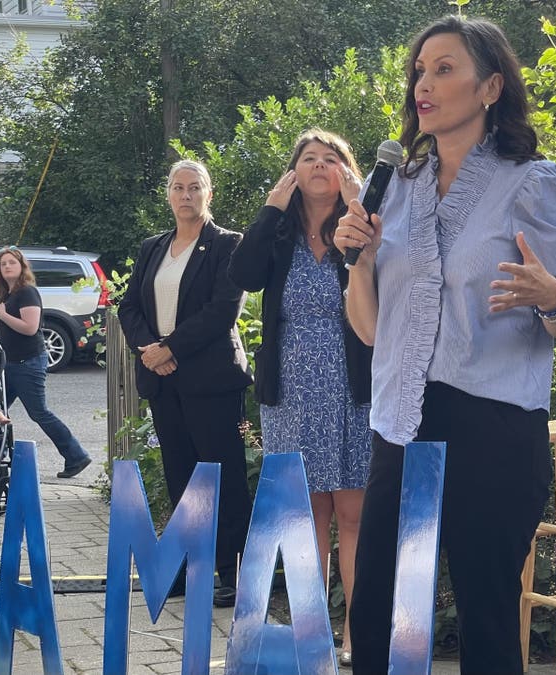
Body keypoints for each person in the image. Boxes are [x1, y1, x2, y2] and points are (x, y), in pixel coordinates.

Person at [334, 16, 556, 674]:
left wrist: (550, 297)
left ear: (491, 87)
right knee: (375, 611)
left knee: (484, 611)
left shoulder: (532, 182)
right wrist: (360, 263)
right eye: (420, 70)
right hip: (401, 420)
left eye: (444, 68)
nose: (424, 82)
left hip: (493, 422)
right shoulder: (393, 187)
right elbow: (369, 330)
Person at [228, 129, 372, 663]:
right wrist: (270, 210)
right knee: (307, 514)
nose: (318, 166)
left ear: (346, 171)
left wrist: (360, 202)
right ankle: (313, 633)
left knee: (353, 515)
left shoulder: (361, 222)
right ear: (292, 174)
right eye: (307, 159)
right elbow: (240, 275)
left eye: (330, 158)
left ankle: (359, 632)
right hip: (289, 389)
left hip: (354, 386)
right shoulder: (279, 234)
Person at [117, 159, 253, 607]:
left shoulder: (227, 245)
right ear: (169, 195)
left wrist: (170, 347)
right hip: (164, 380)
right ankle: (187, 566)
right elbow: (130, 308)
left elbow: (221, 311)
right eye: (178, 187)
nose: (186, 195)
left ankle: (231, 573)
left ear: (208, 194)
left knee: (221, 476)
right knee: (181, 474)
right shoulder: (153, 246)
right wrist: (149, 350)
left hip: (210, 380)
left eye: (195, 187)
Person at [0, 246, 92, 478]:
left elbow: (30, 328)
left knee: (39, 412)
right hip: (9, 364)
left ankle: (76, 455)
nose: (7, 266)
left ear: (22, 267)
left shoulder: (27, 292)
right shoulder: (7, 295)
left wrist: (3, 315)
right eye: (3, 263)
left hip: (28, 363)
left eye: (11, 262)